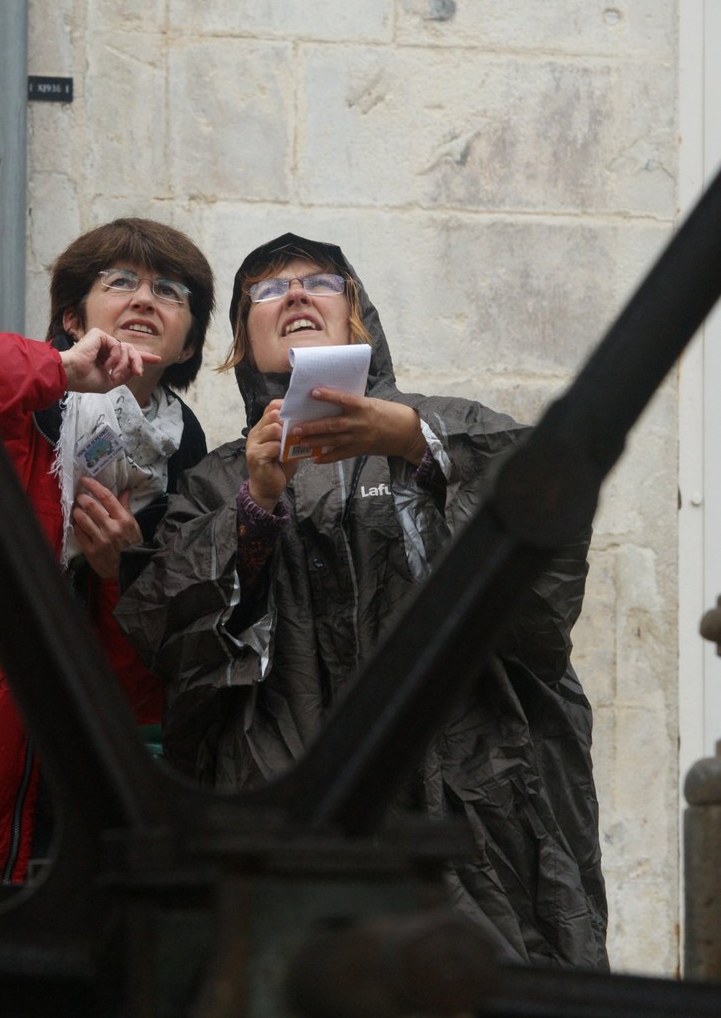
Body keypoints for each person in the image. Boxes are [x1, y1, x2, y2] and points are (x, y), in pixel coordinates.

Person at [115, 231, 608, 971]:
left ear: (358, 318)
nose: (296, 296)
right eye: (269, 290)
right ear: (241, 345)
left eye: (320, 283)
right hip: (288, 811)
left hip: (474, 805)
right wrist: (255, 506)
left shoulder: (451, 426)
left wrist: (416, 441)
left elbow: (546, 545)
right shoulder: (216, 481)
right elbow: (161, 632)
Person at [0, 217, 214, 913]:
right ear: (70, 316)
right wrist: (54, 370)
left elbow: (145, 695)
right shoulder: (3, 420)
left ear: (188, 342)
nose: (146, 298)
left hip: (69, 828)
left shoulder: (192, 477)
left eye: (170, 291)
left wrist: (120, 576)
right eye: (120, 282)